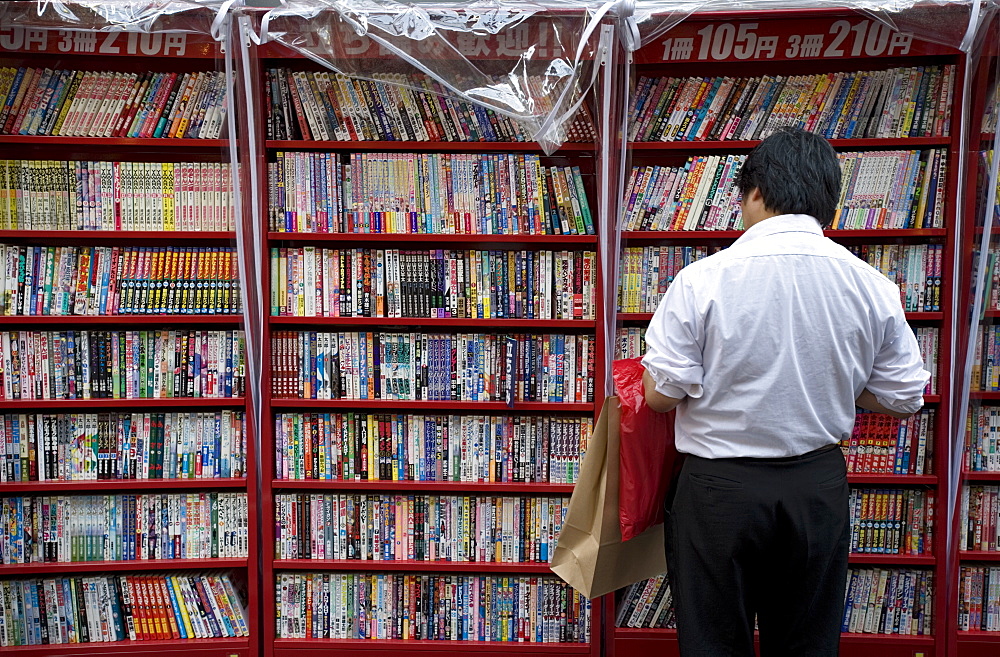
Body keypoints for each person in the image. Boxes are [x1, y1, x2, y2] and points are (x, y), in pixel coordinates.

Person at [640, 126, 930, 657]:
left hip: (718, 490)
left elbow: (661, 395)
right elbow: (905, 396)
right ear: (829, 205)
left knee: (712, 644)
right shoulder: (871, 284)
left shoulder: (702, 280)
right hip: (816, 485)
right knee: (805, 645)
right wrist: (839, 382)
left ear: (754, 193)